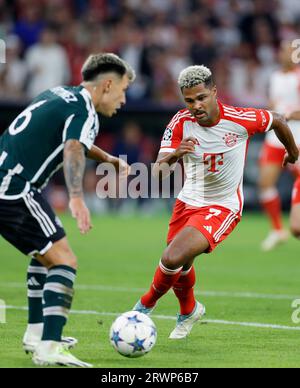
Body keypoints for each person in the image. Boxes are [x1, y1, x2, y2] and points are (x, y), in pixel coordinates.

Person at [133, 64, 299, 340]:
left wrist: (292, 153)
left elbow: (279, 120)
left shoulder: (240, 118)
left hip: (223, 206)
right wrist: (174, 155)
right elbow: (158, 173)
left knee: (172, 256)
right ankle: (189, 311)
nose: (196, 105)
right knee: (181, 263)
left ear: (214, 92)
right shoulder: (179, 123)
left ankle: (142, 307)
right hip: (187, 202)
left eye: (201, 97)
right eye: (189, 100)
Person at [0, 53, 135, 367]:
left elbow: (74, 142)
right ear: (108, 84)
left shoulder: (61, 94)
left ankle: (37, 335)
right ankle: (49, 347)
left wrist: (111, 161)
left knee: (43, 255)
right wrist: (76, 196)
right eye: (123, 90)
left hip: (8, 183)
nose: (124, 99)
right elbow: (73, 148)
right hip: (13, 190)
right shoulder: (85, 111)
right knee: (64, 260)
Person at [259, 41, 300, 251]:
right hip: (276, 137)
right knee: (265, 183)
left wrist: (294, 115)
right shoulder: (275, 76)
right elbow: (274, 104)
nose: (287, 54)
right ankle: (277, 230)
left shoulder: (298, 77)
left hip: (297, 137)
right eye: (284, 50)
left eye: (291, 50)